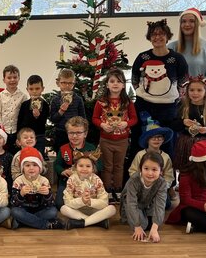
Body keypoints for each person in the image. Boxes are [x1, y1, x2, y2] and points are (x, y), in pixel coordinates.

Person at [130, 19, 188, 159]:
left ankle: (167, 171)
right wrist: (148, 94)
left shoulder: (177, 59)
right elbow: (135, 80)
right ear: (149, 37)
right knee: (141, 140)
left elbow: (183, 82)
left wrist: (171, 97)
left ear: (167, 36)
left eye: (161, 34)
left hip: (168, 109)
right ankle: (137, 170)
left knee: (168, 142)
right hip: (144, 107)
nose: (157, 37)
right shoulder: (142, 57)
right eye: (154, 34)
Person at [92, 68, 138, 196]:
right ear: (107, 85)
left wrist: (126, 124)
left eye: (119, 81)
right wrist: (102, 125)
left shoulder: (127, 102)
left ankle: (118, 190)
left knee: (119, 166)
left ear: (123, 85)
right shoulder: (101, 102)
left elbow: (134, 119)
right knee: (107, 166)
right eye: (112, 81)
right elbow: (94, 118)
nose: (115, 84)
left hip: (122, 141)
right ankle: (106, 191)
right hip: (105, 140)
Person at [172, 76, 206, 173]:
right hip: (186, 142)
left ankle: (204, 180)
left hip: (204, 143)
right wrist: (183, 122)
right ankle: (185, 181)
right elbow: (173, 124)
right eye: (191, 90)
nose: (195, 93)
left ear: (205, 92)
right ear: (187, 91)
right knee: (186, 167)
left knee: (204, 167)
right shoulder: (182, 106)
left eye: (199, 90)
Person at [129, 117, 178, 212]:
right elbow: (133, 171)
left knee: (166, 204)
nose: (157, 140)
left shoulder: (166, 157)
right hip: (141, 188)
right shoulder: (140, 155)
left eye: (159, 137)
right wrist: (141, 184)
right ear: (147, 140)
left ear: (163, 139)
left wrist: (163, 187)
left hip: (159, 188)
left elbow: (169, 175)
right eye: (153, 137)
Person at [11, 147, 64, 230]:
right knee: (15, 211)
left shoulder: (44, 181)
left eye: (35, 165)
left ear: (40, 168)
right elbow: (13, 203)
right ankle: (46, 224)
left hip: (39, 210)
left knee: (53, 211)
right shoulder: (18, 181)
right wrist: (21, 194)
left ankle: (23, 221)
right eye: (27, 165)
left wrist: (47, 194)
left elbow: (50, 204)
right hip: (24, 210)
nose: (31, 168)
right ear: (22, 168)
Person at [120, 152, 168, 243]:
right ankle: (135, 220)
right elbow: (131, 203)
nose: (150, 173)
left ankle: (146, 218)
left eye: (154, 169)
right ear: (140, 168)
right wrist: (137, 226)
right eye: (146, 168)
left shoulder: (162, 183)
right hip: (132, 206)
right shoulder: (134, 181)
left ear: (161, 171)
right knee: (143, 225)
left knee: (157, 223)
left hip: (147, 205)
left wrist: (155, 229)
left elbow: (160, 205)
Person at [60, 151, 116, 230]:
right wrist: (82, 201)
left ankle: (82, 223)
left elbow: (104, 202)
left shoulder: (97, 180)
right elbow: (67, 201)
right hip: (78, 210)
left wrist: (90, 202)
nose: (84, 169)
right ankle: (97, 222)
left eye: (88, 166)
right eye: (81, 166)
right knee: (63, 209)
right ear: (75, 167)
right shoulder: (71, 180)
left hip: (94, 209)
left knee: (112, 209)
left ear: (93, 168)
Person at [168, 8, 206, 92]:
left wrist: (204, 95)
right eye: (183, 21)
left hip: (198, 97)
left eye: (192, 21)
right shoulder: (171, 47)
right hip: (176, 97)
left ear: (198, 24)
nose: (187, 24)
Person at [54, 116, 97, 208]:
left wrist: (89, 170)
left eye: (78, 133)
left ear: (85, 134)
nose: (74, 136)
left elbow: (99, 165)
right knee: (59, 204)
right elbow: (57, 165)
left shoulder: (91, 148)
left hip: (87, 182)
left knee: (89, 203)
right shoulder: (63, 148)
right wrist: (63, 171)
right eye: (71, 133)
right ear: (67, 133)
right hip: (66, 182)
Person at [50, 68, 86, 151]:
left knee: (76, 154)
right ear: (58, 83)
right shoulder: (55, 100)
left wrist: (82, 132)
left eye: (70, 83)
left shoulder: (78, 99)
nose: (67, 86)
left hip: (75, 134)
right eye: (64, 83)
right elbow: (53, 119)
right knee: (61, 153)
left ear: (74, 83)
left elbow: (83, 118)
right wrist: (61, 111)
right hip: (61, 132)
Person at [0, 65, 27, 153]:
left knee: (16, 153)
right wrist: (0, 131)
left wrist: (21, 134)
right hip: (4, 131)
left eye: (15, 77)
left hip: (17, 131)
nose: (12, 80)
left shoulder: (23, 96)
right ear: (4, 80)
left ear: (19, 78)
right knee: (3, 153)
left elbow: (24, 116)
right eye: (9, 78)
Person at [17, 74, 50, 158]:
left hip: (39, 136)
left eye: (37, 88)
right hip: (25, 137)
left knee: (38, 157)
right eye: (31, 89)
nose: (34, 91)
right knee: (25, 156)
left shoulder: (45, 105)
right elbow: (20, 121)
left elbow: (43, 122)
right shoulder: (25, 104)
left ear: (42, 89)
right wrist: (18, 137)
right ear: (27, 89)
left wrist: (38, 116)